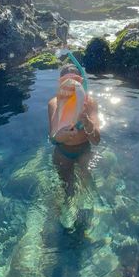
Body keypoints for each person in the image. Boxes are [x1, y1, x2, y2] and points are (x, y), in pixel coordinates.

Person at [48, 63, 100, 196]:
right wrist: (62, 136)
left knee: (86, 189)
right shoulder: (54, 103)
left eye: (75, 82)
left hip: (84, 152)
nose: (71, 88)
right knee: (66, 190)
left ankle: (84, 212)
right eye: (66, 83)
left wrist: (87, 123)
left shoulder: (90, 103)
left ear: (81, 84)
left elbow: (96, 140)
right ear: (61, 86)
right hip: (63, 154)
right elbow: (53, 138)